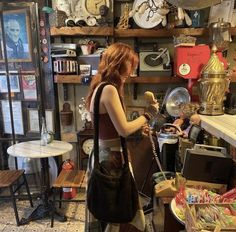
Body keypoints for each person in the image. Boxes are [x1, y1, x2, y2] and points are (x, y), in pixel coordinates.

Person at [85, 42, 158, 232]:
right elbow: (123, 129)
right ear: (118, 63)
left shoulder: (100, 86)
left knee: (110, 208)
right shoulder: (109, 89)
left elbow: (112, 128)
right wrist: (148, 114)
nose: (131, 69)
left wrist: (136, 132)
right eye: (130, 64)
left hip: (104, 154)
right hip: (112, 158)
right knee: (117, 209)